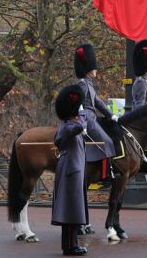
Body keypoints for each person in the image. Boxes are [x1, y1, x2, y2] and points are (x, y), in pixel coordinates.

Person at [51, 84, 88, 256]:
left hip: (71, 169)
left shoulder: (67, 125)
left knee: (69, 210)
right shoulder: (68, 126)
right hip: (72, 170)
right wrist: (80, 113)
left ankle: (69, 245)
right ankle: (71, 246)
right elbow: (79, 127)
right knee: (72, 209)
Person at [74, 43, 117, 179]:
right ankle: (105, 174)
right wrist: (82, 124)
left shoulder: (88, 83)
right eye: (94, 68)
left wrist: (112, 115)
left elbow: (98, 102)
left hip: (92, 117)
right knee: (107, 142)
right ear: (88, 69)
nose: (96, 70)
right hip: (87, 119)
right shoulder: (82, 83)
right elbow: (79, 105)